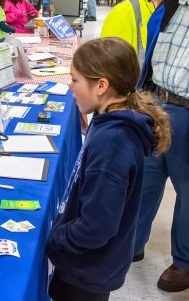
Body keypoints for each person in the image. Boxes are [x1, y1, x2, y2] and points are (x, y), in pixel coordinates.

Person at [45, 37, 171, 301]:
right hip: (93, 263)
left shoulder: (112, 143)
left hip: (86, 269)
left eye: (75, 80)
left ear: (101, 86)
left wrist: (56, 239)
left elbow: (96, 228)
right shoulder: (109, 119)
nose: (70, 88)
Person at [133, 0, 189, 293]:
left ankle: (184, 262)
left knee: (187, 190)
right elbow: (152, 55)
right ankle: (132, 243)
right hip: (156, 103)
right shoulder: (173, 1)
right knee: (147, 179)